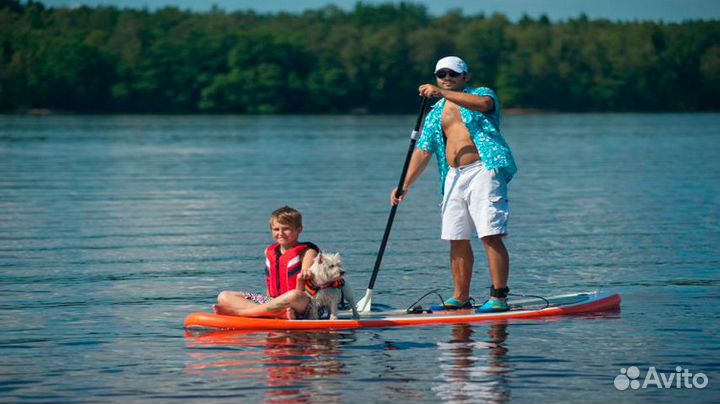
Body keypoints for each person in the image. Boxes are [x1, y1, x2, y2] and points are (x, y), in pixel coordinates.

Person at [391, 56, 518, 313]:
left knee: (490, 234)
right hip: (453, 176)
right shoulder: (435, 112)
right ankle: (460, 297)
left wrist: (442, 93)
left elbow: (485, 105)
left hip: (484, 169)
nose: (447, 79)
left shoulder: (481, 94)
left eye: (452, 74)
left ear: (465, 77)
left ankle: (499, 297)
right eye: (441, 75)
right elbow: (423, 151)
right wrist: (404, 185)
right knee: (456, 237)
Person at [213, 206, 319, 319]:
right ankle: (277, 314)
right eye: (276, 229)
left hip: (304, 304)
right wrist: (271, 303)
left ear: (299, 229)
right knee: (224, 296)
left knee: (294, 295)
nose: (281, 233)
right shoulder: (269, 251)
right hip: (274, 302)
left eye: (286, 228)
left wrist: (301, 278)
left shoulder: (308, 252)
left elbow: (302, 292)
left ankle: (242, 313)